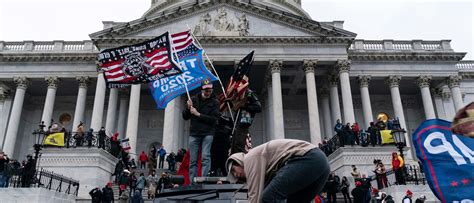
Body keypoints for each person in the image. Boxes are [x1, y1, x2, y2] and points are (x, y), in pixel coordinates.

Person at [226, 139, 330, 203]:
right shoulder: (265, 166)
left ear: (238, 161)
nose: (236, 175)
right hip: (322, 165)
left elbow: (255, 195)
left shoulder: (249, 158)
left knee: (268, 197)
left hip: (309, 158)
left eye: (233, 170)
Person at [182, 79, 220, 183]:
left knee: (205, 157)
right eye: (206, 90)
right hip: (194, 133)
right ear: (202, 90)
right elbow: (185, 116)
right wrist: (188, 107)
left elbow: (214, 119)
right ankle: (193, 182)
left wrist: (198, 114)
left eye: (209, 90)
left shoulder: (215, 102)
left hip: (208, 133)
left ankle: (204, 180)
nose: (208, 92)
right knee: (193, 160)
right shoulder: (194, 100)